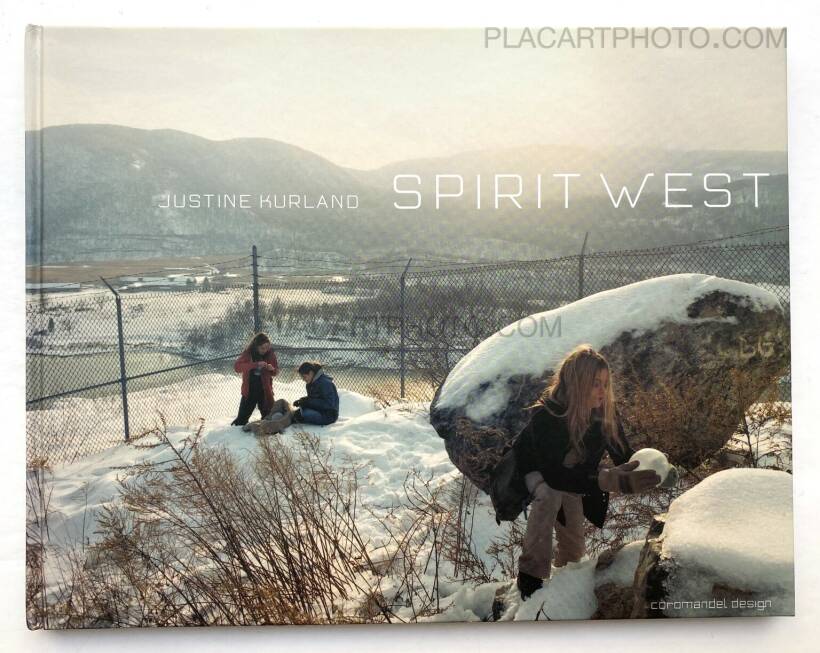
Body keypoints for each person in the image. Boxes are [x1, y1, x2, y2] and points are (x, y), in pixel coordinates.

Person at [512, 344, 661, 600]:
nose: (602, 391)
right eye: (594, 384)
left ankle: (568, 576)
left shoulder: (605, 415)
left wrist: (653, 469)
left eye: (605, 383)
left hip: (573, 475)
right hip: (536, 470)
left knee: (574, 546)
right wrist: (606, 479)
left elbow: (625, 456)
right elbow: (554, 475)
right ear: (576, 384)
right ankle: (530, 577)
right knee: (550, 495)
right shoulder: (547, 415)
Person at [231, 332, 279, 427]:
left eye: (267, 347)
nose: (265, 350)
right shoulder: (248, 353)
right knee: (240, 422)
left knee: (269, 419)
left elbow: (276, 372)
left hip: (265, 390)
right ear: (256, 346)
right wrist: (255, 365)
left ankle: (265, 438)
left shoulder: (270, 354)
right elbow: (237, 367)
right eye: (262, 348)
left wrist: (272, 369)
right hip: (250, 390)